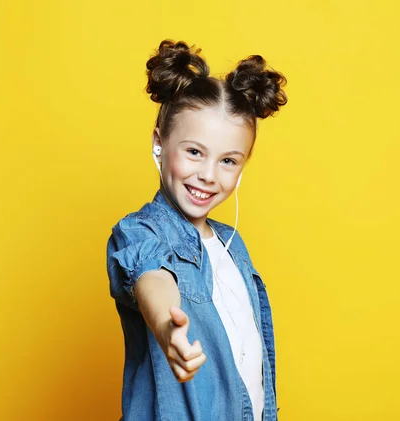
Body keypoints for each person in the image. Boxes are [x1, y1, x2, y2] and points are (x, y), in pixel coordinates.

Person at [106, 39, 287, 421]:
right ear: (160, 144)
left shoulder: (233, 247)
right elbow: (151, 277)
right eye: (194, 152)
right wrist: (168, 325)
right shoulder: (140, 231)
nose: (207, 174)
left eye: (228, 160)